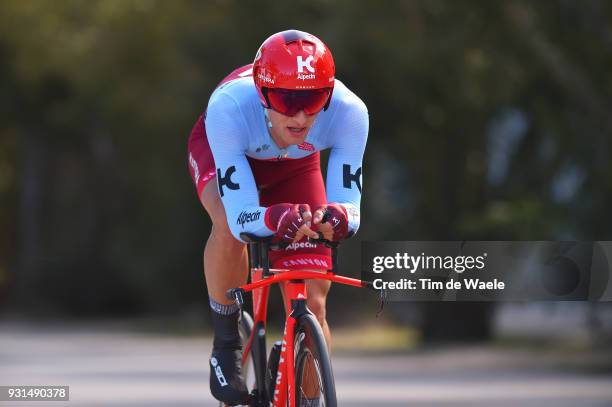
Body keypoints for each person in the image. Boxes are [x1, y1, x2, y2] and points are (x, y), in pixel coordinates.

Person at [187, 29, 368, 406]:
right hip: (230, 152)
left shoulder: (350, 112)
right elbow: (242, 218)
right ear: (263, 93)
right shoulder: (229, 107)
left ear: (329, 94)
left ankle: (308, 395)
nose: (301, 115)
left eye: (314, 100)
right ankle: (225, 342)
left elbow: (350, 211)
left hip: (296, 168)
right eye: (287, 101)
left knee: (314, 302)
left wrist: (336, 218)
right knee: (228, 226)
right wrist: (273, 219)